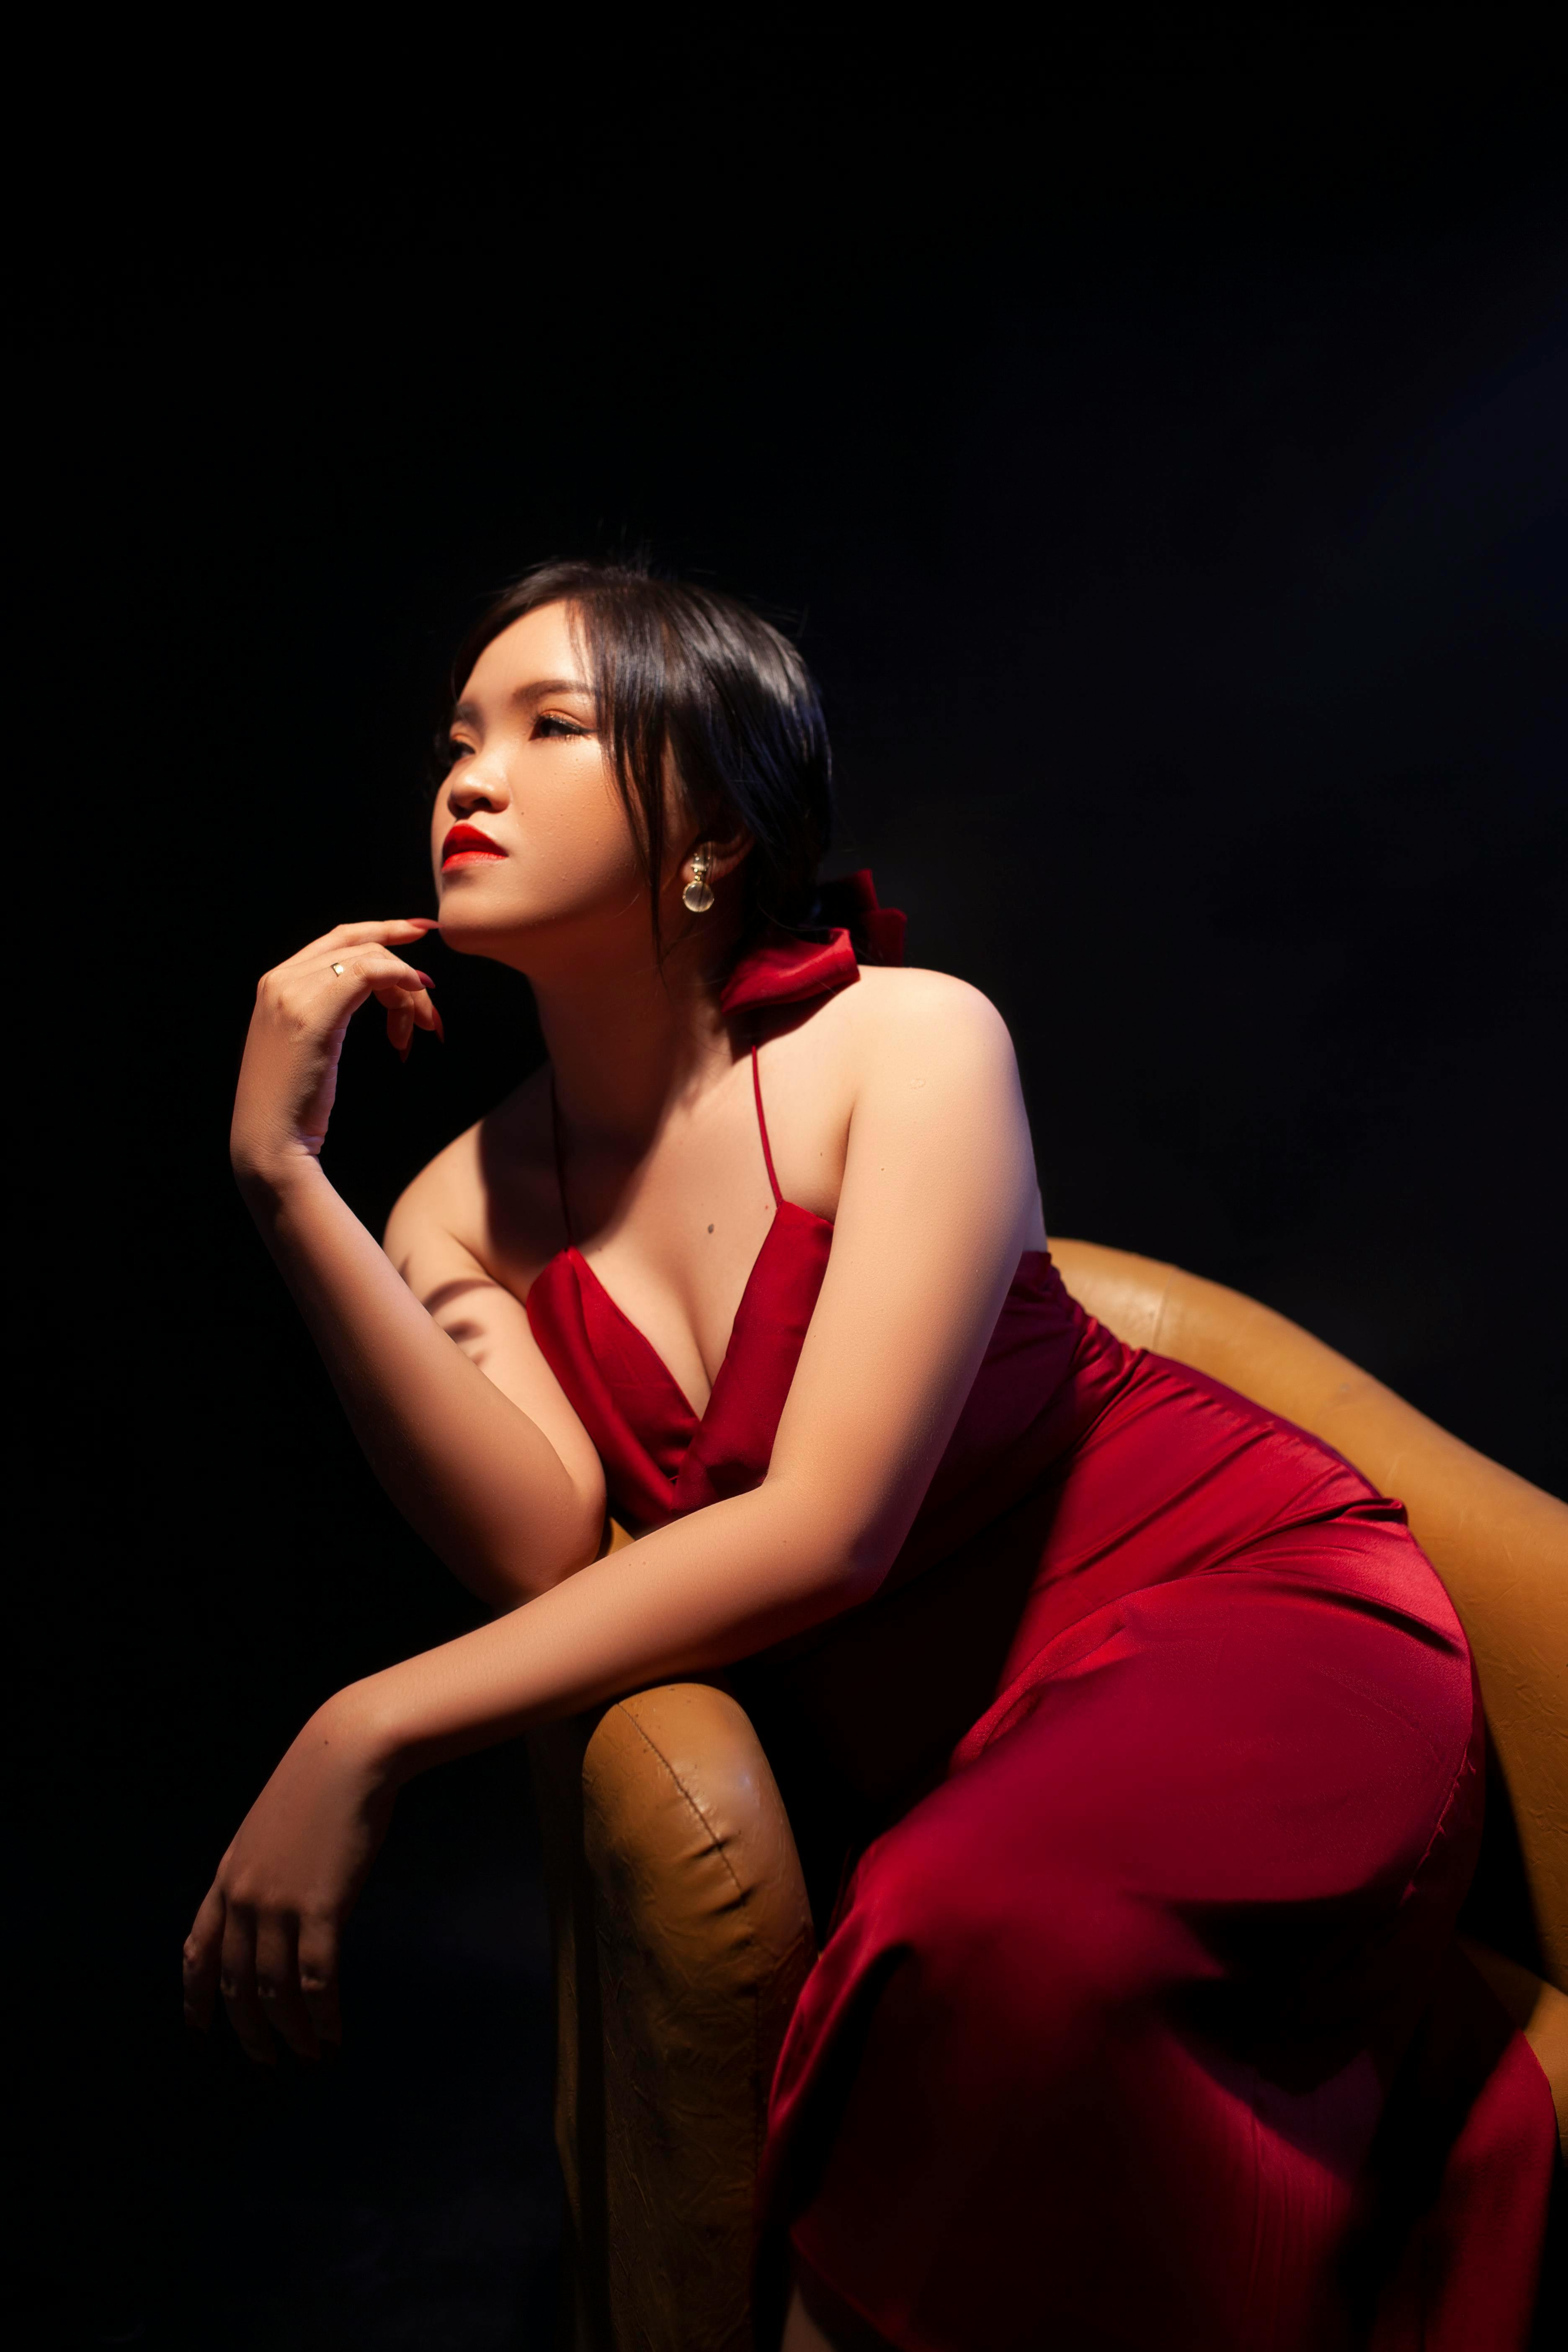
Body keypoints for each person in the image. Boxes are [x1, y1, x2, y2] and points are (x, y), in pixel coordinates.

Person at [184, 560, 1557, 2350]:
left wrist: (363, 1725)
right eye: (458, 740)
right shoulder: (459, 1210)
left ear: (710, 833)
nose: (470, 779)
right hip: (999, 1759)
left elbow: (829, 1531)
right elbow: (540, 1549)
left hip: (1247, 1617)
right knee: (969, 1927)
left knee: (956, 1926)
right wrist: (282, 1182)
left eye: (551, 727)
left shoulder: (909, 1045)